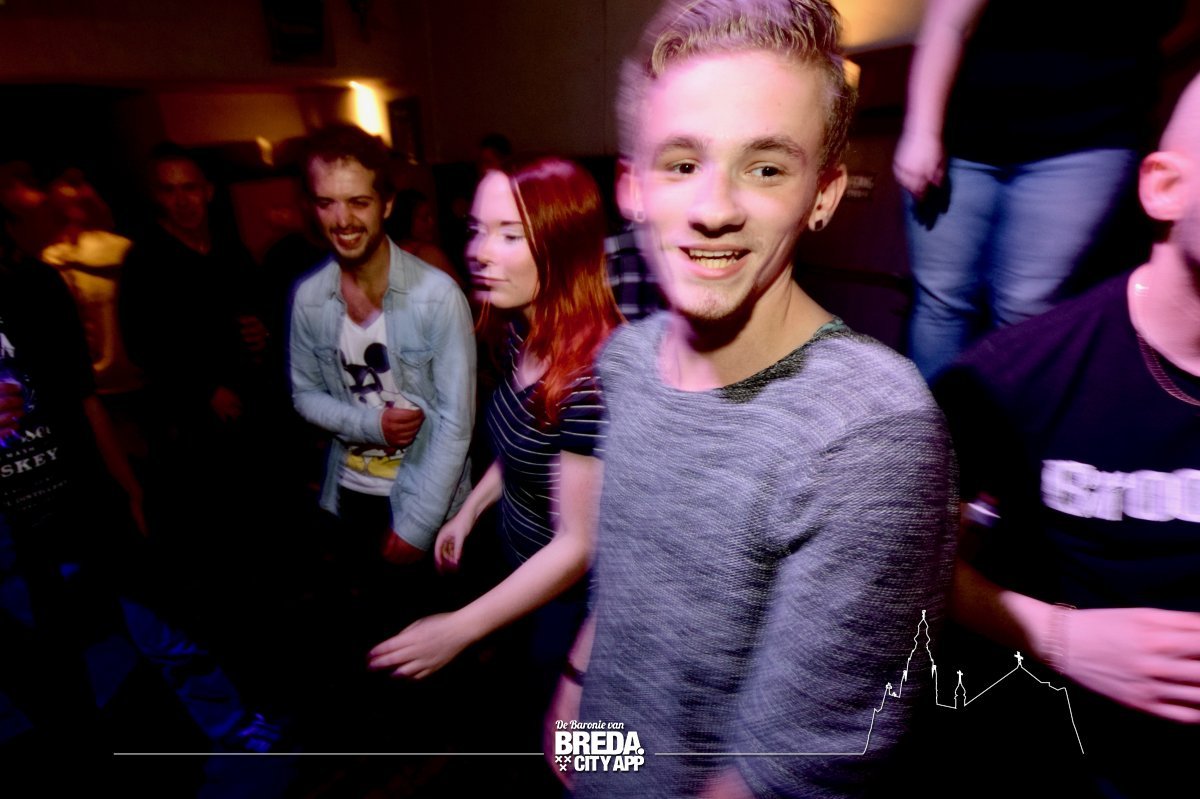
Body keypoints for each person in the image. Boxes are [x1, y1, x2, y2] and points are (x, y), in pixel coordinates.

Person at [553, 2, 958, 797]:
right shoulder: (628, 360)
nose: (715, 209)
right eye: (681, 164)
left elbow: (784, 773)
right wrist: (576, 687)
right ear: (632, 188)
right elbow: (627, 582)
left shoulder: (869, 431)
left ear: (823, 193)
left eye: (766, 168)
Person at [935, 72, 1200, 798]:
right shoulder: (1011, 378)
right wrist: (1060, 636)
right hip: (1071, 751)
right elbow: (894, 563)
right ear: (1166, 187)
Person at [367, 158, 619, 724]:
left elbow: (578, 545)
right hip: (518, 566)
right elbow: (521, 445)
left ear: (563, 245)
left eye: (509, 235)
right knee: (519, 709)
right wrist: (471, 510)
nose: (479, 251)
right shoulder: (522, 333)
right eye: (477, 229)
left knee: (579, 755)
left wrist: (459, 628)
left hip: (574, 605)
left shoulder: (592, 381)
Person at [894, 0, 1182, 381]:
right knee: (940, 301)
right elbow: (948, 22)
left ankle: (992, 418)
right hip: (965, 135)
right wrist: (922, 130)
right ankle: (929, 418)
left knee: (1025, 307)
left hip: (1090, 137)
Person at [288, 124, 475, 688]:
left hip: (424, 498)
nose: (343, 219)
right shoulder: (310, 298)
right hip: (348, 496)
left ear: (387, 204)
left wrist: (417, 526)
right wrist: (370, 423)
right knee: (371, 637)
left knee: (432, 651)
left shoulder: (436, 296)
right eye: (327, 202)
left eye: (358, 202)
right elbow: (303, 395)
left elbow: (455, 423)